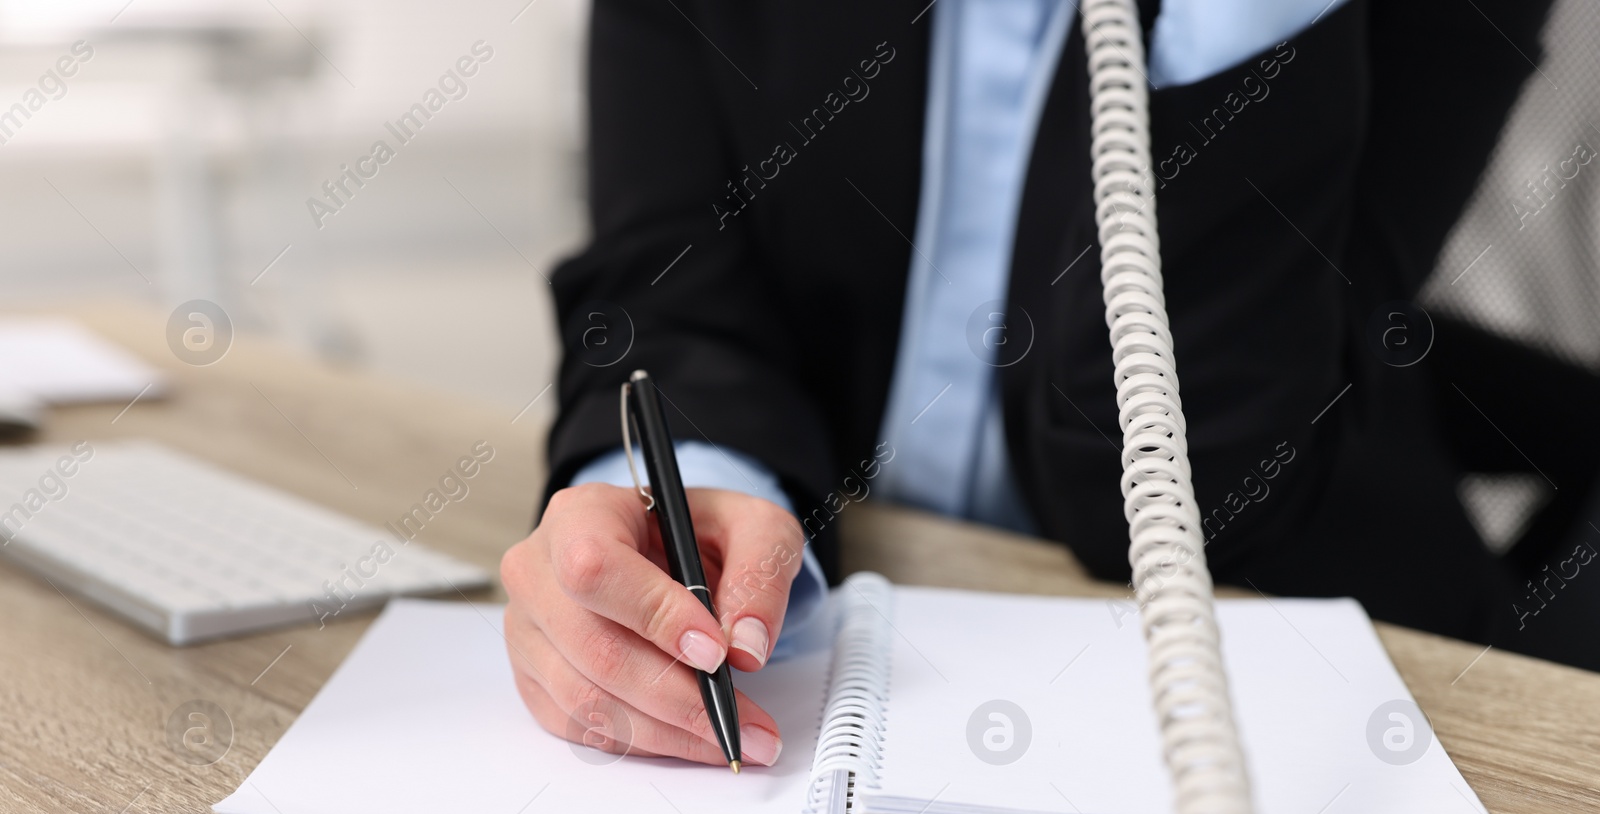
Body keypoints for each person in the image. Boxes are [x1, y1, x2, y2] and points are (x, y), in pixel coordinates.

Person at [501, 0, 1594, 766]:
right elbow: (667, 280)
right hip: (851, 629)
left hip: (1277, 630)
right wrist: (687, 487)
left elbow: (1193, 465)